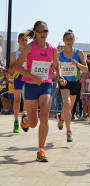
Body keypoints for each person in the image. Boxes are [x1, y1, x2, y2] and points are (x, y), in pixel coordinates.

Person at [13, 21, 61, 162]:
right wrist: (34, 77)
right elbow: (17, 66)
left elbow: (56, 65)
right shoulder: (29, 47)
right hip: (31, 86)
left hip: (46, 85)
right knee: (33, 123)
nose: (42, 34)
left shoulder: (52, 48)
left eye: (45, 31)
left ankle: (41, 150)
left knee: (45, 116)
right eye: (39, 31)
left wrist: (60, 76)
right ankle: (26, 119)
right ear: (34, 32)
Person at [57, 29, 88, 142]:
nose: (69, 41)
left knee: (69, 107)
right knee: (67, 103)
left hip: (75, 82)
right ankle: (68, 132)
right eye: (67, 39)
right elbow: (57, 68)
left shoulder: (78, 52)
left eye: (71, 39)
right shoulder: (59, 54)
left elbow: (86, 68)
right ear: (63, 40)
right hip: (64, 82)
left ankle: (61, 118)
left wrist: (77, 64)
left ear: (74, 40)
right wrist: (60, 77)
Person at [9, 33, 28, 133]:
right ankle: (16, 121)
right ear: (18, 41)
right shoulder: (14, 53)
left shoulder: (30, 52)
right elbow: (11, 68)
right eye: (22, 40)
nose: (24, 42)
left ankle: (23, 120)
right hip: (18, 77)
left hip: (27, 77)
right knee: (17, 100)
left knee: (26, 100)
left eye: (26, 40)